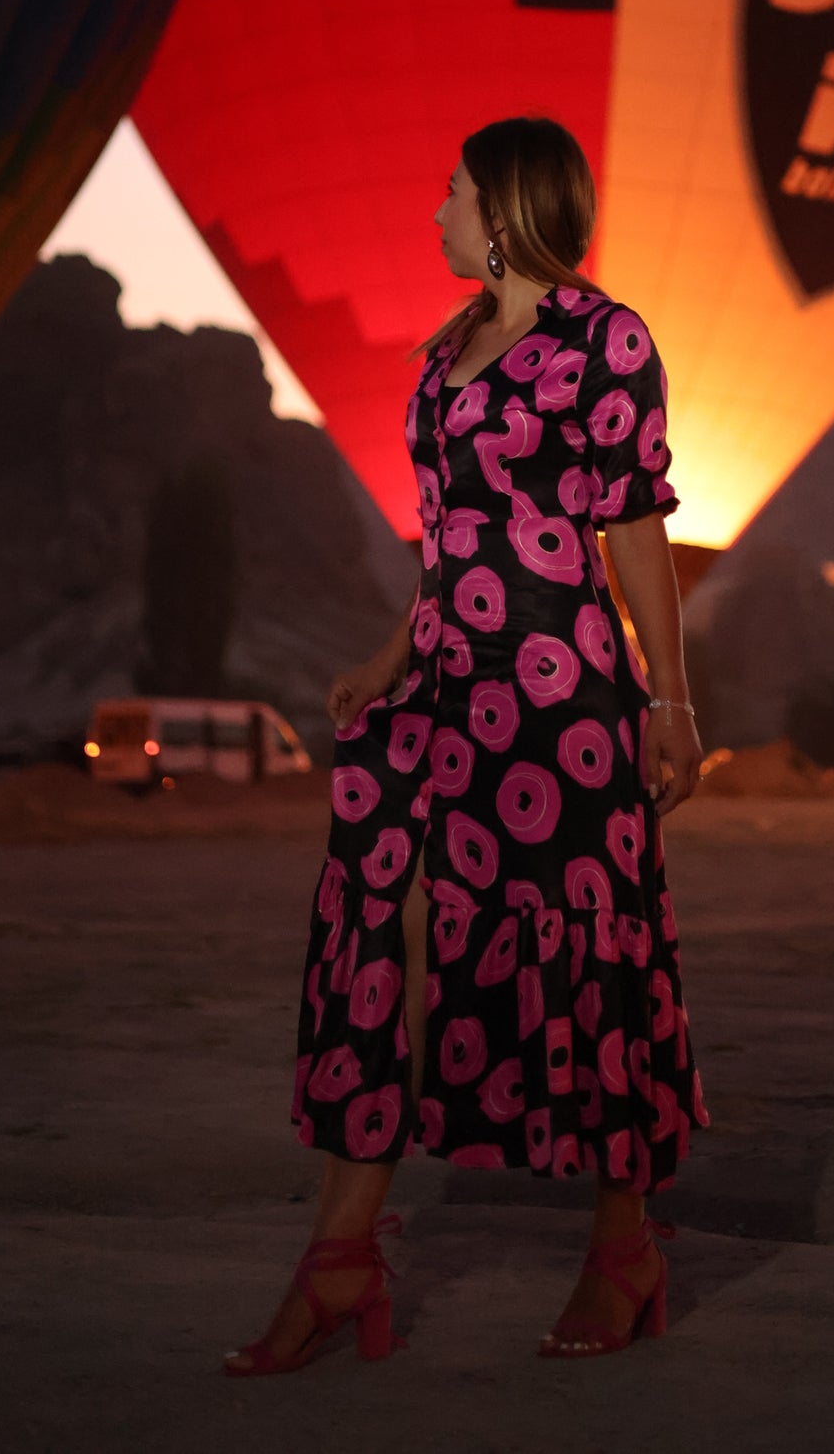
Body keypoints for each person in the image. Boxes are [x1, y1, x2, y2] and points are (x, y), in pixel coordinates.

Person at [225, 116, 708, 1376]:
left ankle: (623, 1247)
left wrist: (670, 701)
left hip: (563, 695)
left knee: (588, 954)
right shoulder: (446, 352)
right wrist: (391, 658)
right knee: (384, 933)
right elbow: (457, 540)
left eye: (447, 191)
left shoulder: (607, 342)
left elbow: (634, 532)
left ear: (498, 209)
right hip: (439, 694)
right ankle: (339, 1259)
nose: (431, 210)